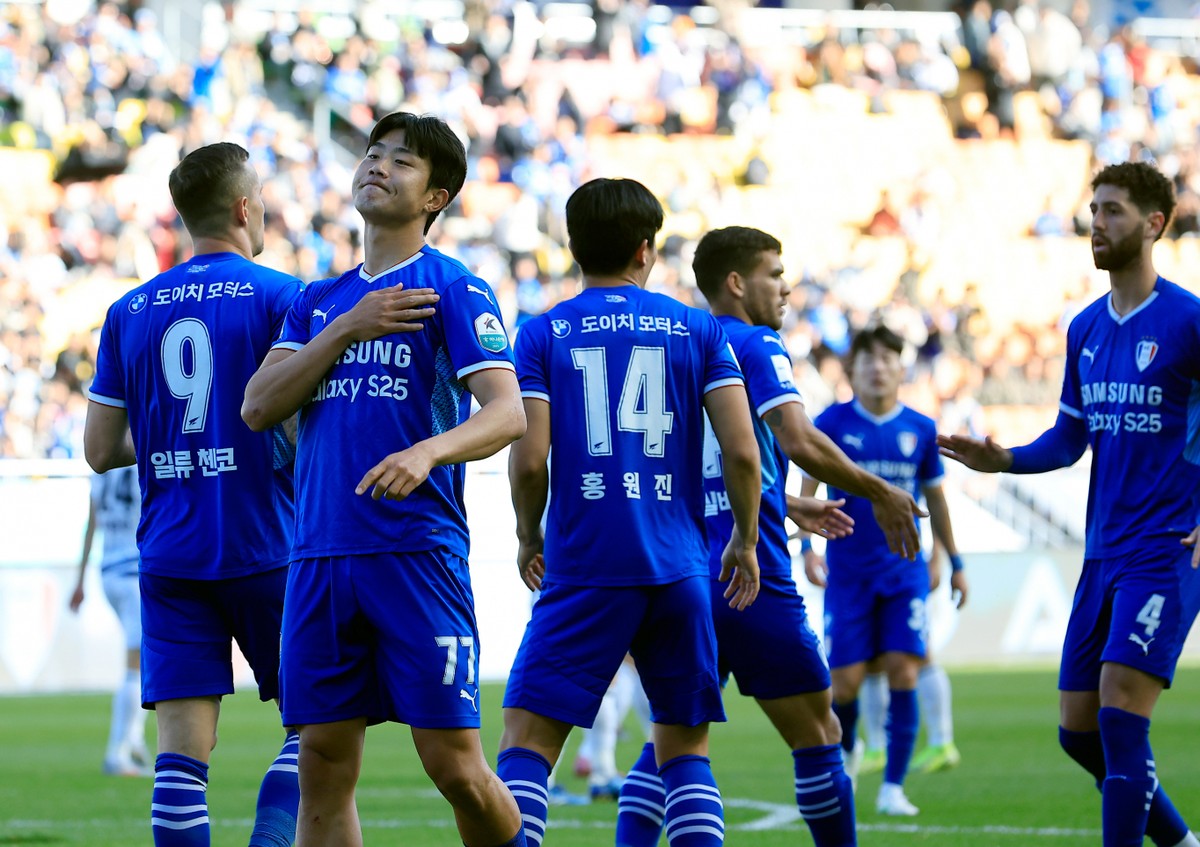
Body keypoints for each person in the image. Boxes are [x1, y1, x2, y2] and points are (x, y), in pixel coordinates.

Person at [240, 111, 526, 847]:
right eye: (373, 153)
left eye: (402, 161)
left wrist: (428, 453)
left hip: (415, 553)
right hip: (318, 557)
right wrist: (347, 326)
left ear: (435, 197)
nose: (378, 165)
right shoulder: (318, 302)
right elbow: (258, 405)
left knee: (455, 767)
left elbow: (508, 413)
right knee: (323, 764)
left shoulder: (453, 288)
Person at [614, 226, 928, 847]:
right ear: (737, 283)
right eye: (775, 275)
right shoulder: (756, 342)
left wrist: (785, 502)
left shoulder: (676, 345)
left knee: (672, 745)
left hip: (678, 571)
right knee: (819, 735)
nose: (786, 289)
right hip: (748, 571)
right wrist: (882, 491)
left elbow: (695, 464)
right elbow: (798, 438)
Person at [940, 161, 1200, 847]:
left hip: (1168, 548)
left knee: (1119, 716)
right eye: (1094, 212)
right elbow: (1068, 439)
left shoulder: (1189, 321)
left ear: (1154, 224)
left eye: (1113, 211)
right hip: (1102, 551)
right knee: (1078, 731)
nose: (1098, 224)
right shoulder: (1085, 328)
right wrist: (1005, 459)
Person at [498, 178, 763, 847]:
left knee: (527, 742)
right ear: (646, 248)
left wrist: (529, 534)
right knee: (684, 752)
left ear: (572, 246)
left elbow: (529, 461)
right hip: (678, 567)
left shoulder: (543, 332)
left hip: (586, 567)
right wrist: (744, 538)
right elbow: (742, 451)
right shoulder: (697, 328)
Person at [84, 141, 304, 847]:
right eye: (261, 197)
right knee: (317, 728)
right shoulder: (283, 297)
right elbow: (301, 424)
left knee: (180, 757)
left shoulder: (129, 309)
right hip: (267, 542)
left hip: (170, 552)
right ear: (243, 208)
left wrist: (172, 441)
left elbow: (99, 450)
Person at [798, 324, 962, 816]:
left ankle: (893, 787)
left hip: (904, 570)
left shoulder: (921, 428)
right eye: (869, 360)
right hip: (848, 571)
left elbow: (936, 498)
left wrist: (950, 559)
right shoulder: (830, 423)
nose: (878, 368)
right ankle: (848, 758)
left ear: (900, 368)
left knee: (903, 670)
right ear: (854, 369)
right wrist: (806, 548)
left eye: (888, 359)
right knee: (845, 683)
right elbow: (808, 487)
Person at [851, 543, 968, 777]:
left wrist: (938, 557)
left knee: (919, 654)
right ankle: (877, 748)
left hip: (904, 567)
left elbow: (938, 517)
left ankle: (942, 743)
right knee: (872, 659)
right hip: (861, 567)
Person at [69, 464, 151, 777]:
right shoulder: (144, 458)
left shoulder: (102, 465)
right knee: (135, 664)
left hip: (108, 571)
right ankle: (117, 754)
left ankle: (134, 740)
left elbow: (92, 524)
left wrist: (80, 580)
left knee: (146, 659)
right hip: (133, 571)